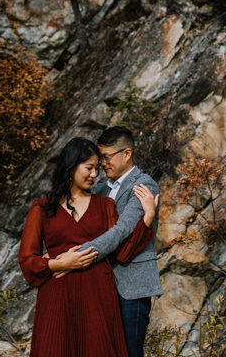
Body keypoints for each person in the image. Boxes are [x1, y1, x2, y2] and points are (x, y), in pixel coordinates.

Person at [18, 137, 158, 357]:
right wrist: (58, 263)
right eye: (89, 168)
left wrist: (147, 219)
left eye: (96, 169)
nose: (95, 174)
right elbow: (27, 261)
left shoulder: (105, 205)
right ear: (71, 166)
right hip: (58, 296)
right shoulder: (42, 208)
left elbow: (122, 252)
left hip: (98, 298)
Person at [78, 127, 162, 357]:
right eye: (100, 158)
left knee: (131, 351)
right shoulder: (102, 189)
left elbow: (123, 230)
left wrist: (82, 253)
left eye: (107, 157)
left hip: (132, 285)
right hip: (103, 283)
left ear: (126, 154)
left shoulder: (144, 185)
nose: (102, 164)